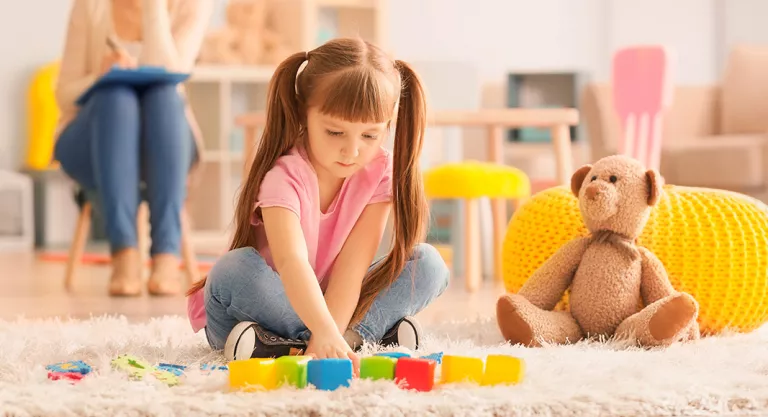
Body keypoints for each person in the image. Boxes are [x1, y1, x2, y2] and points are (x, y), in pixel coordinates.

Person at [185, 38, 450, 367]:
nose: (352, 151)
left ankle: (302, 346)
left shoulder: (380, 172)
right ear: (303, 113)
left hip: (332, 307)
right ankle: (355, 338)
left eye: (369, 135)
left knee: (428, 265)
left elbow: (352, 269)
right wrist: (323, 328)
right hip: (266, 304)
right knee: (230, 270)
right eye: (335, 133)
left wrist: (330, 331)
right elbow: (291, 262)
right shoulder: (284, 176)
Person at [53, 0, 213, 296]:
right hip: (92, 141)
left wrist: (153, 8)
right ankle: (124, 252)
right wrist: (99, 76)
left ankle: (166, 254)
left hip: (167, 141)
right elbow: (64, 94)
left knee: (163, 94)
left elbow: (172, 73)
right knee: (116, 95)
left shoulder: (193, 5)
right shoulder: (90, 5)